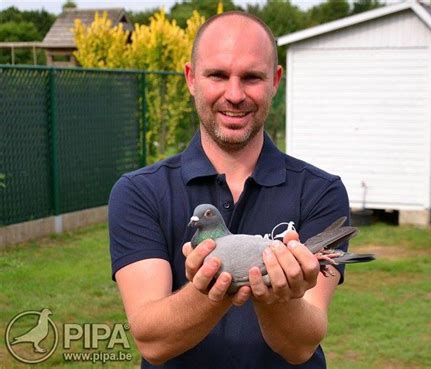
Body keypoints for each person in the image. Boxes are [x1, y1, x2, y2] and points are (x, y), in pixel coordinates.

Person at [109, 11, 350, 369]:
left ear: (275, 81)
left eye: (252, 77)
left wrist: (271, 293)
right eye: (218, 75)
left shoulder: (320, 191)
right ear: (191, 78)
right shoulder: (139, 192)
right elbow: (152, 341)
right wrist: (222, 282)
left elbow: (301, 346)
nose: (234, 95)